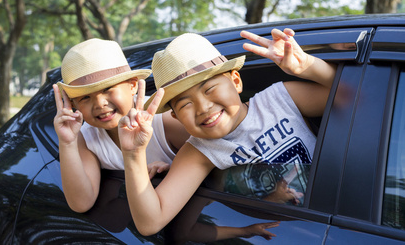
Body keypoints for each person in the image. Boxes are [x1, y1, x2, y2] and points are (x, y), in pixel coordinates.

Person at [118, 28, 337, 237]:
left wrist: (308, 66)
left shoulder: (281, 99)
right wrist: (134, 155)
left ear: (235, 80)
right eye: (185, 104)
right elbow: (150, 222)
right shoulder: (199, 151)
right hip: (308, 229)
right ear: (174, 116)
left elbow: (357, 98)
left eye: (209, 89)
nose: (203, 107)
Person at [53, 38, 189, 213]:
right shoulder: (86, 137)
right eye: (85, 97)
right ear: (74, 105)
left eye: (107, 89)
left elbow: (213, 156)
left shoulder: (164, 120)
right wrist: (67, 143)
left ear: (132, 85)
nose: (99, 103)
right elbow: (81, 203)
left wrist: (176, 167)